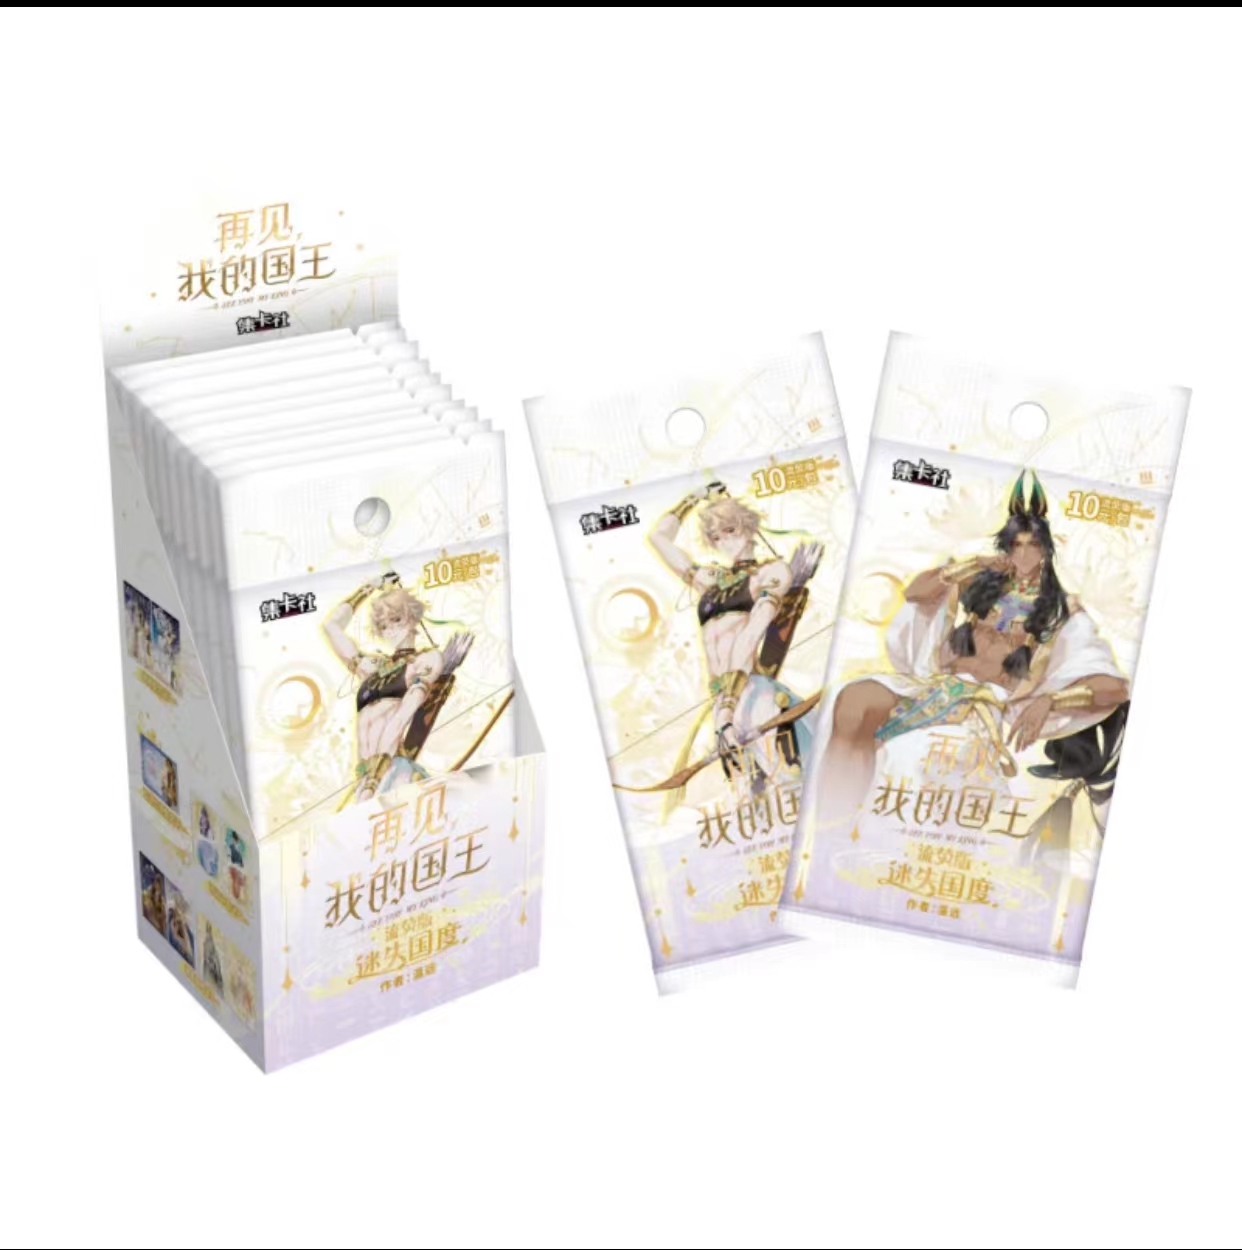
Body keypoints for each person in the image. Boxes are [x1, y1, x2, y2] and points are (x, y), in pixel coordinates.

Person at [815, 470, 1129, 836]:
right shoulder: (978, 581)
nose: (1023, 554)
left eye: (1032, 545)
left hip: (982, 705)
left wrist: (1051, 701)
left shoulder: (1063, 610)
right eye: (1015, 544)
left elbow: (1116, 688)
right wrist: (976, 563)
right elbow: (915, 593)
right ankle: (827, 830)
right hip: (932, 686)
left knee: (925, 763)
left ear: (1045, 550)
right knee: (853, 702)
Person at [649, 484, 822, 798]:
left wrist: (727, 711)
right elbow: (659, 538)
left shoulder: (771, 573)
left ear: (750, 528)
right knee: (748, 798)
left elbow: (750, 634)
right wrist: (694, 496)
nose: (724, 541)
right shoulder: (710, 579)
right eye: (715, 536)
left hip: (752, 693)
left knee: (790, 790)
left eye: (730, 530)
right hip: (722, 700)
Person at [324, 576, 473, 803]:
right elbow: (331, 626)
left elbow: (401, 719)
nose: (390, 630)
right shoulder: (373, 667)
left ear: (412, 618)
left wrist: (375, 778)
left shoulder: (424, 661)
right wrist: (369, 587)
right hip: (366, 776)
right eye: (383, 625)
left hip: (392, 771)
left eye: (396, 619)